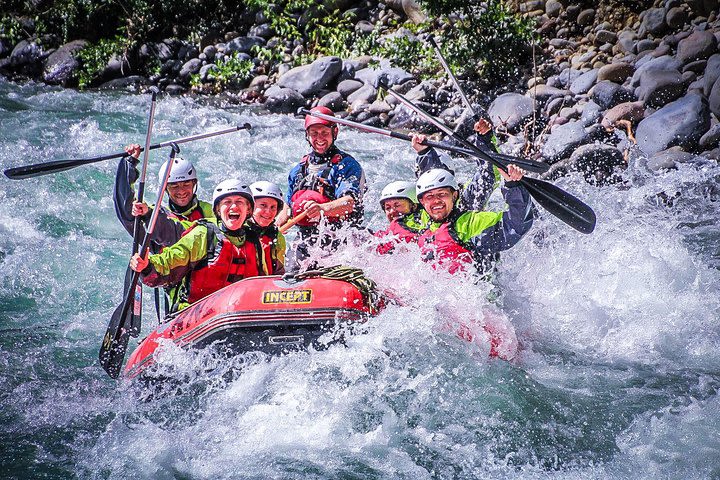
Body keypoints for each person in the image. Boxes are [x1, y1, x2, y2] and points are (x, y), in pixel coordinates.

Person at [129, 179, 265, 312]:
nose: (234, 207)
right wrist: (147, 266)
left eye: (239, 202)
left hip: (237, 312)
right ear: (218, 210)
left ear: (248, 210)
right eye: (227, 202)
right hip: (196, 313)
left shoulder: (254, 240)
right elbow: (171, 260)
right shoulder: (204, 234)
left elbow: (263, 282)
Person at [282, 106, 366, 267]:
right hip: (305, 239)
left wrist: (322, 208)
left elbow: (349, 203)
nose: (319, 138)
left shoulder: (347, 165)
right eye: (314, 134)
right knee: (290, 274)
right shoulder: (298, 170)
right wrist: (278, 222)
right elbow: (287, 206)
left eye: (324, 133)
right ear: (307, 136)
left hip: (340, 238)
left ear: (335, 132)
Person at [414, 165, 534, 276]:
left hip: (477, 295)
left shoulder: (472, 223)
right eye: (429, 197)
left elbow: (516, 225)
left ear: (454, 196)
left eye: (442, 194)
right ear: (422, 202)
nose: (436, 201)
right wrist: (424, 152)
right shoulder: (422, 224)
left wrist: (513, 186)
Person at [114, 144, 214, 247]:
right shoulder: (156, 214)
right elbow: (125, 208)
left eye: (186, 184)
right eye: (174, 186)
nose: (181, 191)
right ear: (165, 188)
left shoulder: (210, 211)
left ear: (194, 183)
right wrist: (130, 162)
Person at [247, 181, 287, 275]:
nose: (268, 212)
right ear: (250, 207)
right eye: (263, 205)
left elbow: (279, 273)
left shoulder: (277, 237)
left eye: (273, 207)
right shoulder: (237, 233)